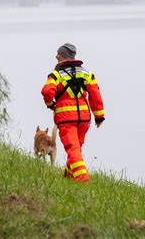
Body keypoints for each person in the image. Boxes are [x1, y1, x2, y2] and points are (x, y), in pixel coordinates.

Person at [41, 43, 105, 182]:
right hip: (83, 120)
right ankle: (68, 178)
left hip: (66, 119)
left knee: (73, 150)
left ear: (62, 55)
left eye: (58, 53)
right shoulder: (86, 74)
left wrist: (50, 104)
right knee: (76, 149)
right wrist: (99, 117)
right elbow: (95, 94)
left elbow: (47, 91)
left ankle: (83, 181)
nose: (55, 56)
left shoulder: (56, 75)